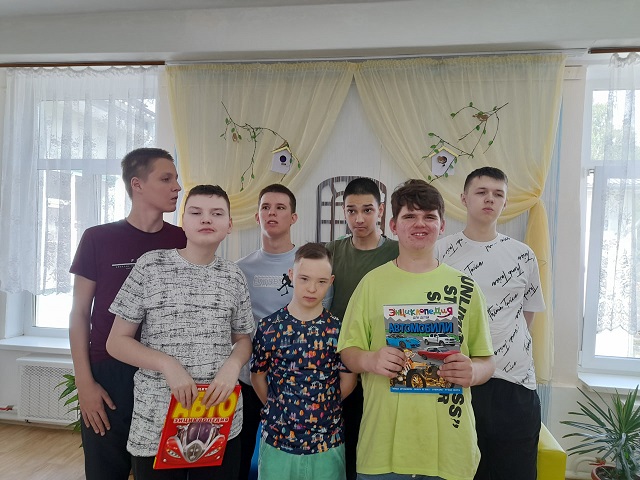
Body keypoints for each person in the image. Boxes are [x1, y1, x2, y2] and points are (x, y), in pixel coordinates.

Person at [337, 179, 495, 480]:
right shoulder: (371, 283)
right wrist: (371, 359)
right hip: (382, 449)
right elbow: (348, 352)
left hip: (449, 450)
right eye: (410, 216)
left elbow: (487, 360)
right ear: (393, 226)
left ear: (442, 225)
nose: (419, 224)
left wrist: (473, 372)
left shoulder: (466, 287)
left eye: (429, 216)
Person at [106, 184, 254, 480]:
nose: (206, 219)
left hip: (218, 420)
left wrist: (232, 366)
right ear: (182, 221)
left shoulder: (233, 275)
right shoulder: (151, 265)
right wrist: (167, 364)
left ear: (229, 225)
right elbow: (116, 342)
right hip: (157, 421)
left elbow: (242, 340)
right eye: (196, 212)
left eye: (217, 213)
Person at [69, 147, 187, 480]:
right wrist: (85, 383)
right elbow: (79, 313)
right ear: (137, 184)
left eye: (176, 179)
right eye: (166, 179)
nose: (177, 186)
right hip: (108, 374)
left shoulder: (181, 239)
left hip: (164, 373)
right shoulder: (98, 238)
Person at [436, 167, 545, 480]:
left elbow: (528, 314)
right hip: (457, 381)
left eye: (498, 194)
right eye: (482, 192)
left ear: (505, 203)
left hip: (514, 383)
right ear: (464, 198)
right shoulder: (440, 251)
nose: (490, 199)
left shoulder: (523, 255)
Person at [251, 242, 357, 480]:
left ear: (330, 282)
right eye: (304, 279)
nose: (312, 288)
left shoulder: (339, 330)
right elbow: (257, 376)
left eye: (321, 281)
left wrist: (322, 406)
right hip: (278, 443)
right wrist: (280, 407)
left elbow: (348, 381)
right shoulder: (269, 327)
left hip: (327, 444)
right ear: (291, 275)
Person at [324, 177, 398, 480]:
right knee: (344, 441)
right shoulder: (331, 251)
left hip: (385, 363)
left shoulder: (397, 252)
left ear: (380, 211)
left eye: (367, 210)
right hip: (341, 364)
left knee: (378, 444)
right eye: (351, 210)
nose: (359, 219)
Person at [236, 183, 299, 480]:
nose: (272, 213)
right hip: (248, 379)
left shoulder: (309, 265)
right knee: (239, 459)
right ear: (257, 216)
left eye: (280, 207)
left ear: (293, 217)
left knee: (288, 464)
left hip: (294, 380)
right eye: (265, 207)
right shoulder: (239, 269)